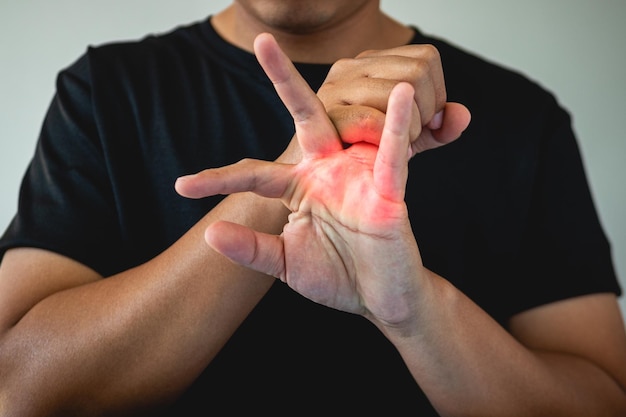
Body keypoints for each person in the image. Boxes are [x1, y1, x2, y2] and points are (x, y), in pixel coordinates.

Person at [0, 1, 624, 415]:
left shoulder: (520, 116)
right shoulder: (106, 90)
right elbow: (18, 390)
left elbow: (602, 400)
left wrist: (415, 314)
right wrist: (293, 176)